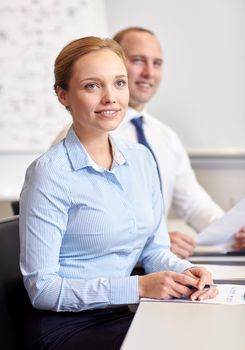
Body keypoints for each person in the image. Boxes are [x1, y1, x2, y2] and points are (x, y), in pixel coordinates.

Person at [19, 36, 218, 350]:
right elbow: (43, 290)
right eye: (92, 86)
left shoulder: (140, 159)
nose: (111, 97)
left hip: (127, 313)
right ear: (62, 95)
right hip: (66, 327)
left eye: (119, 83)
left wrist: (185, 271)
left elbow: (154, 252)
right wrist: (137, 287)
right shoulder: (49, 174)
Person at [53, 27, 245, 257]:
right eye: (137, 61)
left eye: (157, 63)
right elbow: (77, 229)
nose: (149, 73)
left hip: (158, 265)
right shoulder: (81, 136)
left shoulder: (165, 136)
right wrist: (153, 243)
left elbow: (193, 204)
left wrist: (232, 233)